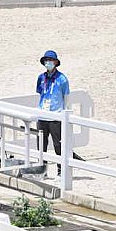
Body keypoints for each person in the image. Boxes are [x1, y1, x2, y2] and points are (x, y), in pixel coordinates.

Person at [35, 50, 84, 178]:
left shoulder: (62, 79)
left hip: (56, 116)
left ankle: (61, 171)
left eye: (50, 60)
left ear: (56, 62)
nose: (48, 63)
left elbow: (66, 97)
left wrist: (64, 113)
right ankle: (42, 170)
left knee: (58, 145)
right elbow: (40, 94)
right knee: (41, 145)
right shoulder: (41, 77)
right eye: (46, 60)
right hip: (42, 115)